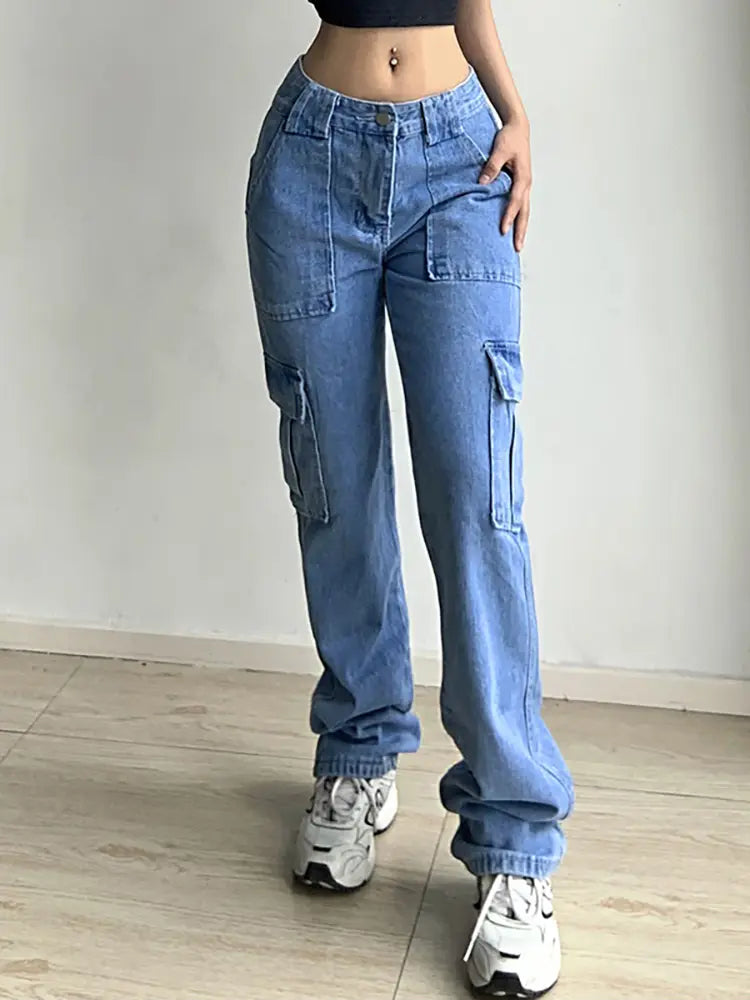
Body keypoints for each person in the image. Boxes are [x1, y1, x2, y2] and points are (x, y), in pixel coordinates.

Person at [244, 2, 574, 995]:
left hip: (460, 161)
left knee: (479, 500)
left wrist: (516, 112)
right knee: (333, 482)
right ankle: (358, 752)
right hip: (311, 156)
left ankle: (513, 841)